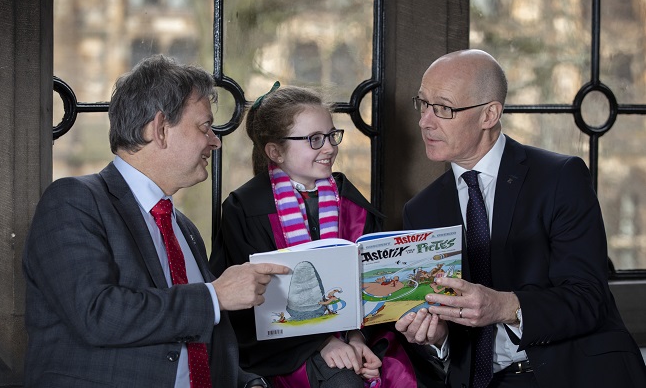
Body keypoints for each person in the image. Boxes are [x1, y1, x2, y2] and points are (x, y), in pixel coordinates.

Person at [22, 54, 289, 388]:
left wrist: (247, 382)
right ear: (160, 129)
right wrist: (214, 296)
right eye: (205, 126)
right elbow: (97, 315)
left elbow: (193, 344)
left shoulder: (185, 229)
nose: (215, 141)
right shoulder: (74, 200)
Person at [395, 49, 646, 388]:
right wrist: (437, 337)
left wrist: (503, 306)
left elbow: (590, 298)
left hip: (571, 372)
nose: (426, 120)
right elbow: (440, 337)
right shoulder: (421, 210)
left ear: (489, 114)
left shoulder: (560, 177)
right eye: (422, 104)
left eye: (443, 108)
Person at [210, 83, 432, 387]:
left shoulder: (351, 203)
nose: (329, 147)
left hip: (356, 334)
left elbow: (373, 283)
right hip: (284, 349)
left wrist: (356, 338)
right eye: (314, 139)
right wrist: (322, 343)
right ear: (275, 151)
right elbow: (245, 309)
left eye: (331, 136)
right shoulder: (246, 210)